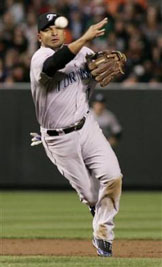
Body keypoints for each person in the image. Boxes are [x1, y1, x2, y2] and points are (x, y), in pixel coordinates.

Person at [30, 12, 123, 257]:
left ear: (63, 32)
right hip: (58, 138)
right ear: (39, 35)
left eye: (57, 28)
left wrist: (107, 66)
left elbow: (102, 70)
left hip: (86, 125)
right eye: (47, 29)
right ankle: (96, 211)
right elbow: (55, 64)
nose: (53, 32)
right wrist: (85, 38)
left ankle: (103, 234)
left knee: (113, 177)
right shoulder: (40, 58)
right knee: (92, 196)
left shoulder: (84, 54)